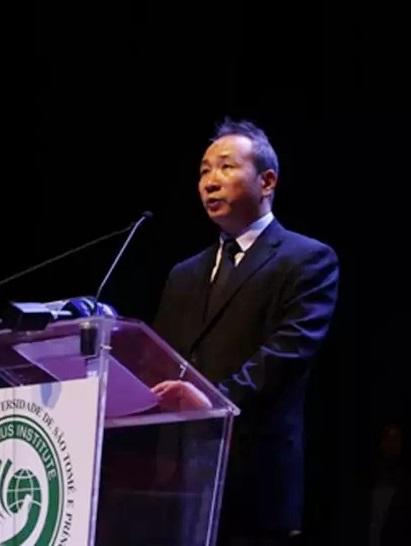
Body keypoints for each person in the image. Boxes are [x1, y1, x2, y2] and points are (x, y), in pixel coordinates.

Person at [152, 118, 339, 545]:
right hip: (178, 481)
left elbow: (287, 352)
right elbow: (160, 357)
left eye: (226, 167)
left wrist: (214, 402)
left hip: (254, 479)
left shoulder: (307, 260)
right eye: (204, 171)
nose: (210, 182)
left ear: (267, 181)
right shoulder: (184, 274)